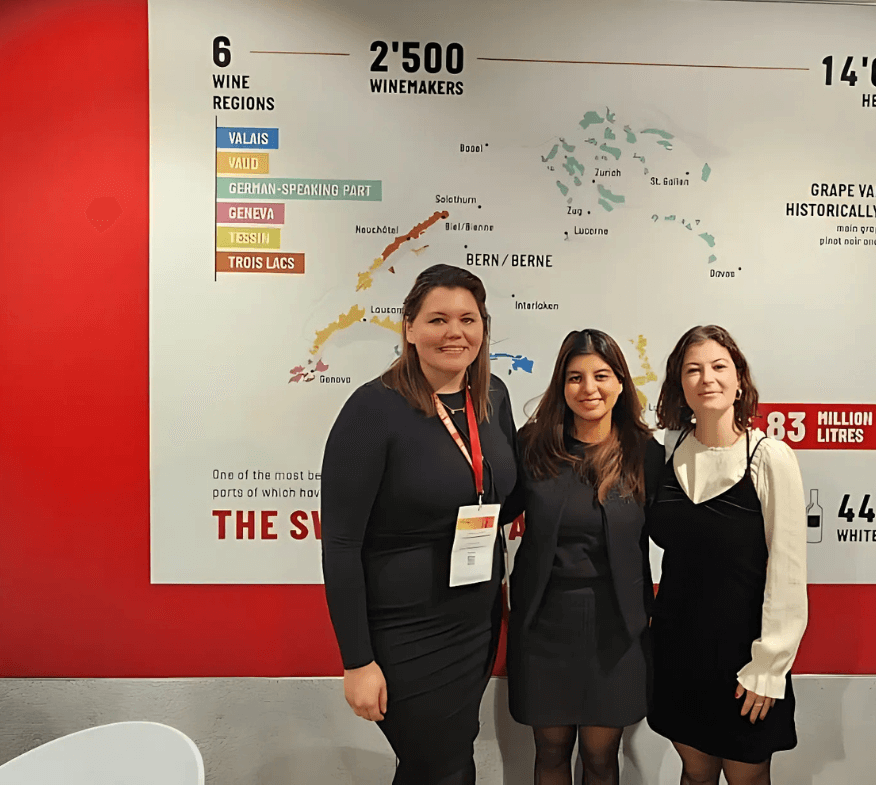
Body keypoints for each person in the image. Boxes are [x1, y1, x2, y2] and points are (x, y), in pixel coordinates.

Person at [320, 264, 518, 785]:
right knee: (444, 765)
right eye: (437, 319)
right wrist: (357, 661)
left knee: (442, 761)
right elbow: (340, 544)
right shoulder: (372, 410)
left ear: (483, 327)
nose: (455, 333)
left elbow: (500, 500)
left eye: (467, 319)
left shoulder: (492, 396)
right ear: (409, 327)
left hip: (475, 621)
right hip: (405, 630)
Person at [646, 325, 808, 785]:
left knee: (747, 777)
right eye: (692, 370)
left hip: (745, 658)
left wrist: (769, 665)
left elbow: (788, 571)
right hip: (678, 651)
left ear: (740, 381)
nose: (706, 379)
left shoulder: (769, 457)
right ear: (680, 384)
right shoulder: (664, 452)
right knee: (695, 774)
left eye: (719, 367)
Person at [501, 329, 663, 785]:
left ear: (620, 384)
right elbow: (491, 506)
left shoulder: (645, 453)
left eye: (601, 375)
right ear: (561, 385)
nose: (588, 388)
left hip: (617, 630)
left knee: (600, 757)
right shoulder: (532, 445)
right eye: (575, 377)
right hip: (544, 626)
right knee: (549, 751)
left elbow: (675, 532)